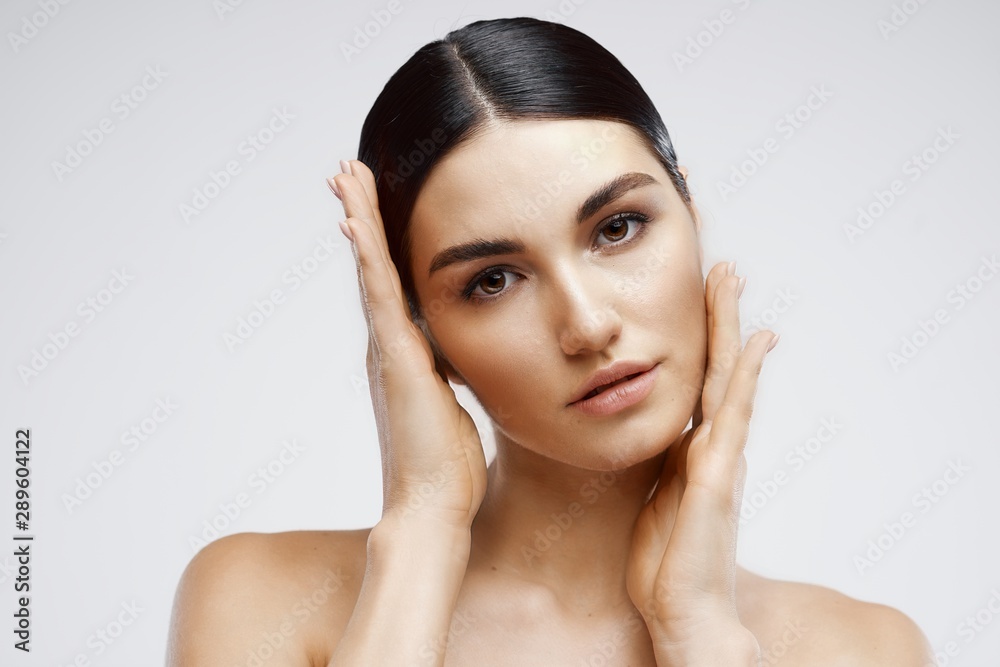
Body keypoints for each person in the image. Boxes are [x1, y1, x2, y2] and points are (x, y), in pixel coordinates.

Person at [166, 16, 933, 666]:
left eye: (618, 228)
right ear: (417, 333)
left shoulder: (860, 647)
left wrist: (697, 627)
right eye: (493, 279)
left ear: (692, 217)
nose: (589, 325)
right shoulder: (259, 599)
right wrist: (423, 536)